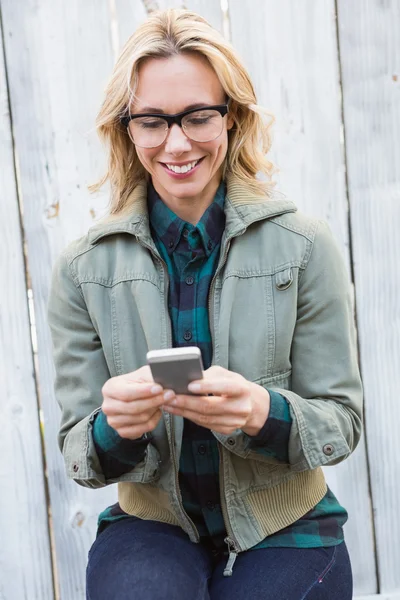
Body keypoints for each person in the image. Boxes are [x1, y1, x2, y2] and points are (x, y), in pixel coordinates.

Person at [48, 8, 363, 600]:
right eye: (152, 121)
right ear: (127, 129)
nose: (176, 142)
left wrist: (262, 412)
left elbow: (341, 422)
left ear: (232, 118)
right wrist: (113, 428)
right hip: (153, 524)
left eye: (198, 116)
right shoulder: (83, 269)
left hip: (286, 524)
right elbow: (77, 450)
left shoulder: (304, 247)